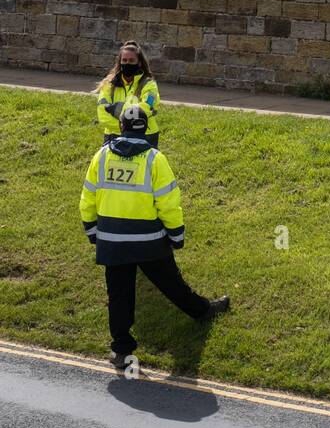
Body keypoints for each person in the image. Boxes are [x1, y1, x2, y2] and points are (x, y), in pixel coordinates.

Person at [79, 103, 229, 369]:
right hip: (148, 240)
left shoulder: (101, 156)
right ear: (145, 129)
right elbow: (168, 203)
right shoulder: (154, 159)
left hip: (112, 241)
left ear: (121, 126)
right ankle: (203, 312)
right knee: (172, 284)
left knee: (119, 296)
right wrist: (176, 234)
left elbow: (88, 197)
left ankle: (122, 352)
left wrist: (92, 231)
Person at [97, 41, 161, 146]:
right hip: (114, 135)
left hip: (146, 136)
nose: (127, 64)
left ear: (139, 62)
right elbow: (103, 116)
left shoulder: (149, 85)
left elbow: (147, 107)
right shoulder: (108, 85)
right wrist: (126, 125)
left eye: (131, 61)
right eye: (124, 60)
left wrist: (118, 108)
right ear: (119, 62)